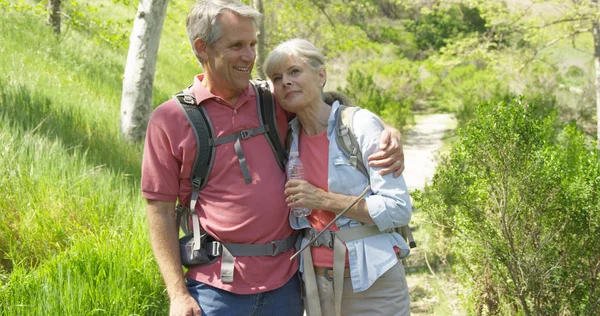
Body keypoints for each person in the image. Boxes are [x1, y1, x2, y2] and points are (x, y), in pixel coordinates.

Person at [141, 1, 405, 315]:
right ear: (202, 48)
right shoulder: (170, 119)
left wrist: (388, 130)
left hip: (288, 285)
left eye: (252, 44)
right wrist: (177, 294)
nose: (250, 56)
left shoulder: (272, 98)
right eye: (237, 45)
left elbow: (323, 108)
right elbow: (159, 212)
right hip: (215, 290)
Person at [264, 38, 412, 316]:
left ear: (321, 75)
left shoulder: (359, 124)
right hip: (314, 283)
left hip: (373, 280)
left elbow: (398, 209)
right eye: (277, 78)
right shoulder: (287, 134)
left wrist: (322, 199)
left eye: (295, 72)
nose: (285, 82)